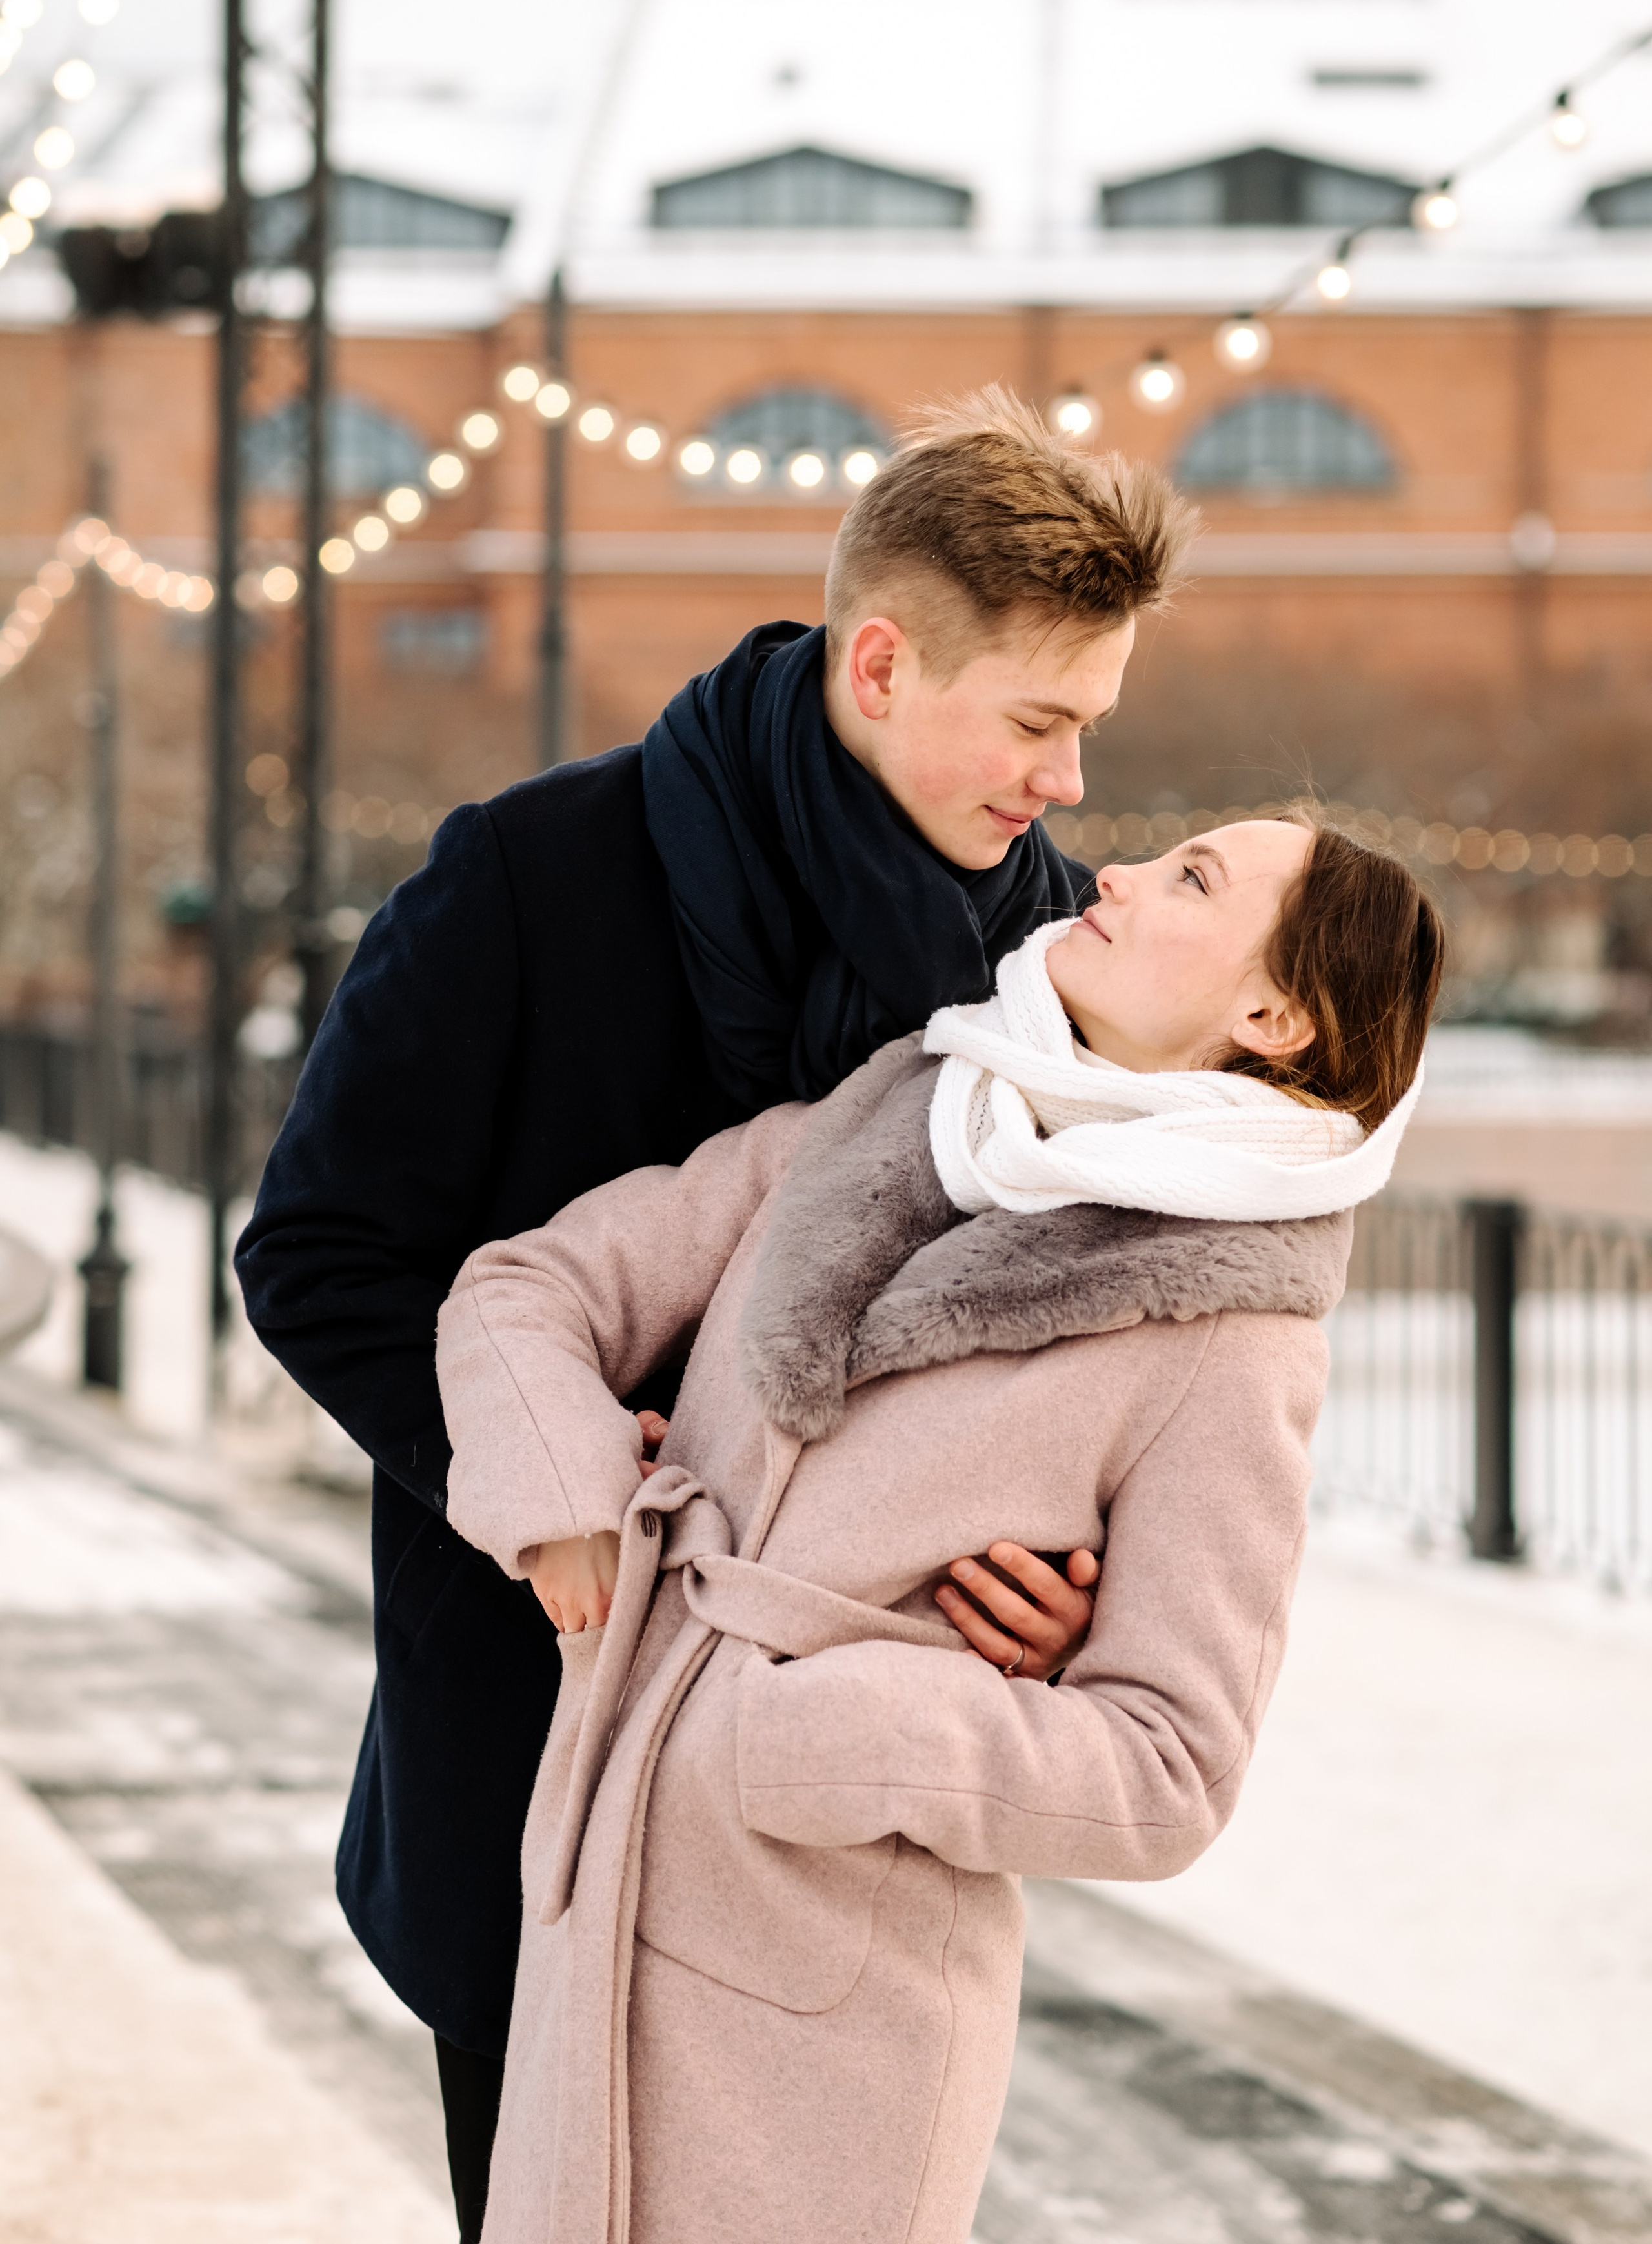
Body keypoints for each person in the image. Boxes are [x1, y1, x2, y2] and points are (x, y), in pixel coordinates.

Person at [233, 387, 1193, 2236]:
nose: (1066, 782)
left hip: (836, 1819)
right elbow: (318, 1253)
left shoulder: (1050, 959)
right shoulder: (529, 876)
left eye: (1090, 727)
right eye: (1041, 721)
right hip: (543, 1751)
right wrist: (537, 1472)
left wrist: (1057, 1577)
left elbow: (1072, 1350)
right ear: (886, 661)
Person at [436, 814, 1444, 2244]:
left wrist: (814, 1733)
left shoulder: (1228, 1329)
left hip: (836, 2034)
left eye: (1192, 882)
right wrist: (564, 1503)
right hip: (592, 1920)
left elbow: (1166, 1768)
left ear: (1271, 1014)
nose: (1119, 871)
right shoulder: (882, 1117)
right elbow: (521, 1291)